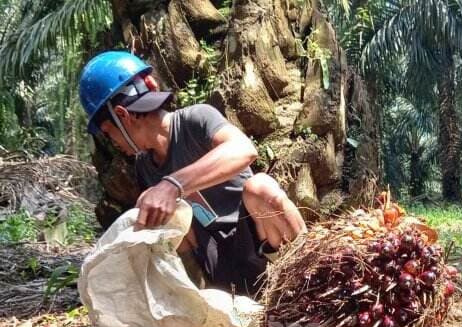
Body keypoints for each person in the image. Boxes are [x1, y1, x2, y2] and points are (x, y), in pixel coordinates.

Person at [79, 51, 306, 295]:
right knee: (161, 218)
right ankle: (198, 301)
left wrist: (173, 184)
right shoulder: (144, 166)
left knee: (260, 187)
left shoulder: (196, 119)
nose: (113, 143)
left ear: (123, 116)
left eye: (108, 132)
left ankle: (309, 280)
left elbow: (243, 149)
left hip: (260, 247)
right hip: (219, 269)